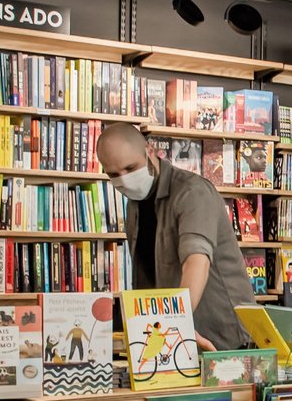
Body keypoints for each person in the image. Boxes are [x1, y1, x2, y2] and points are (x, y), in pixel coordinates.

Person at [97, 123, 254, 350]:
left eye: (131, 168)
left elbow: (195, 261)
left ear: (150, 151)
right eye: (114, 174)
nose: (124, 179)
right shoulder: (135, 206)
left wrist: (174, 325)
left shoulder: (192, 193)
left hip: (225, 342)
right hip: (178, 342)